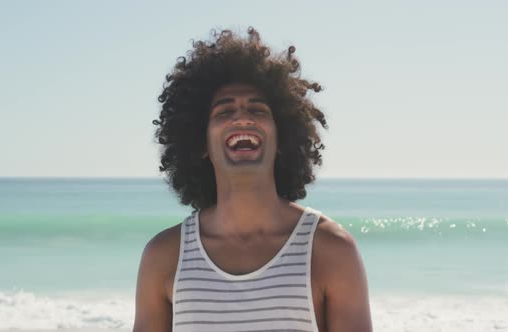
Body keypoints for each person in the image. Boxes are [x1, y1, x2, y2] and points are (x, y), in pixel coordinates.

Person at [133, 27, 372, 332]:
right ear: (201, 142)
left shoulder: (330, 250)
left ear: (282, 136)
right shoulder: (165, 257)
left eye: (257, 110)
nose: (242, 118)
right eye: (225, 111)